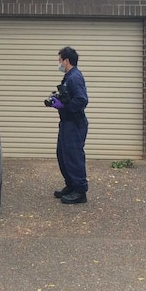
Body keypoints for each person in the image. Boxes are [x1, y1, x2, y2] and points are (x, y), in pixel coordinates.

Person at [50, 46, 89, 204]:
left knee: (73, 156)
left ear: (66, 61)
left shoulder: (74, 78)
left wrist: (65, 106)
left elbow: (82, 100)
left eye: (60, 60)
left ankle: (80, 191)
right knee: (62, 154)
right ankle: (71, 185)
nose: (59, 64)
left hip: (75, 123)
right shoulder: (68, 77)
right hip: (67, 122)